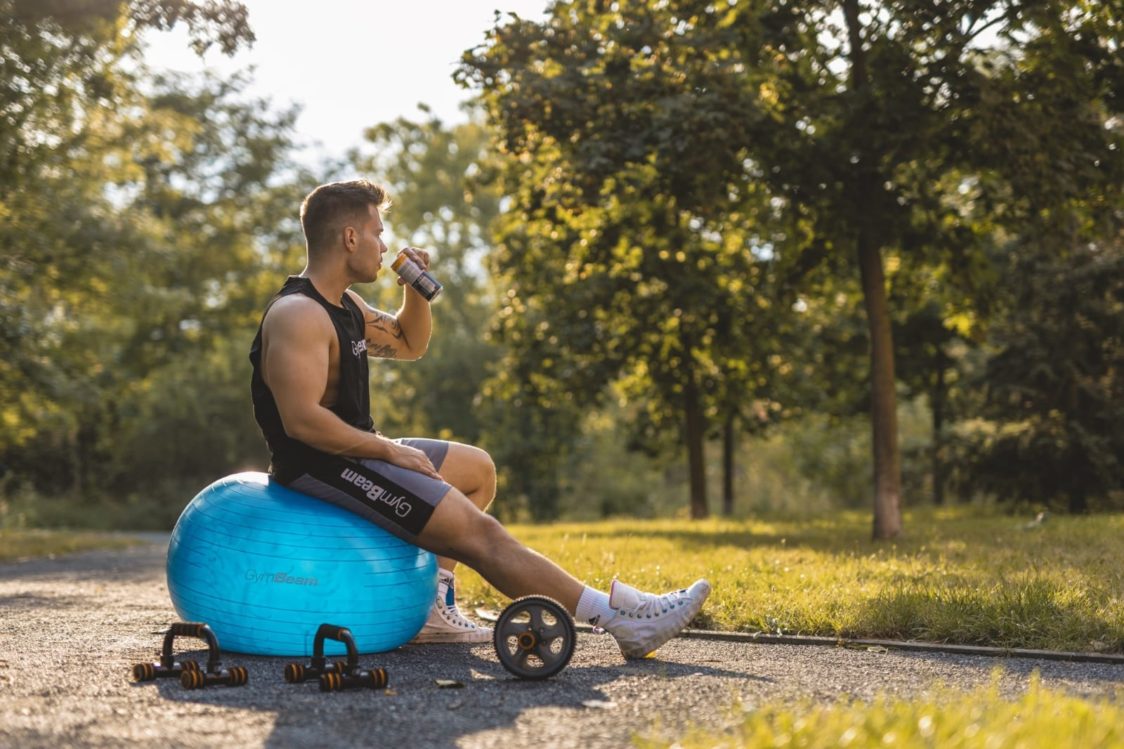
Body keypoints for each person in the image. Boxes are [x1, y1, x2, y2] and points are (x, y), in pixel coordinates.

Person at [248, 179, 710, 658]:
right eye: (377, 232)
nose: (384, 246)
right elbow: (300, 422)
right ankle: (618, 619)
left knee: (477, 471)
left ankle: (432, 610)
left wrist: (416, 292)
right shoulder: (298, 314)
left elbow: (410, 344)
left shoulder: (346, 306)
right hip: (319, 466)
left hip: (355, 451)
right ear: (349, 238)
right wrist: (389, 449)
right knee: (480, 535)